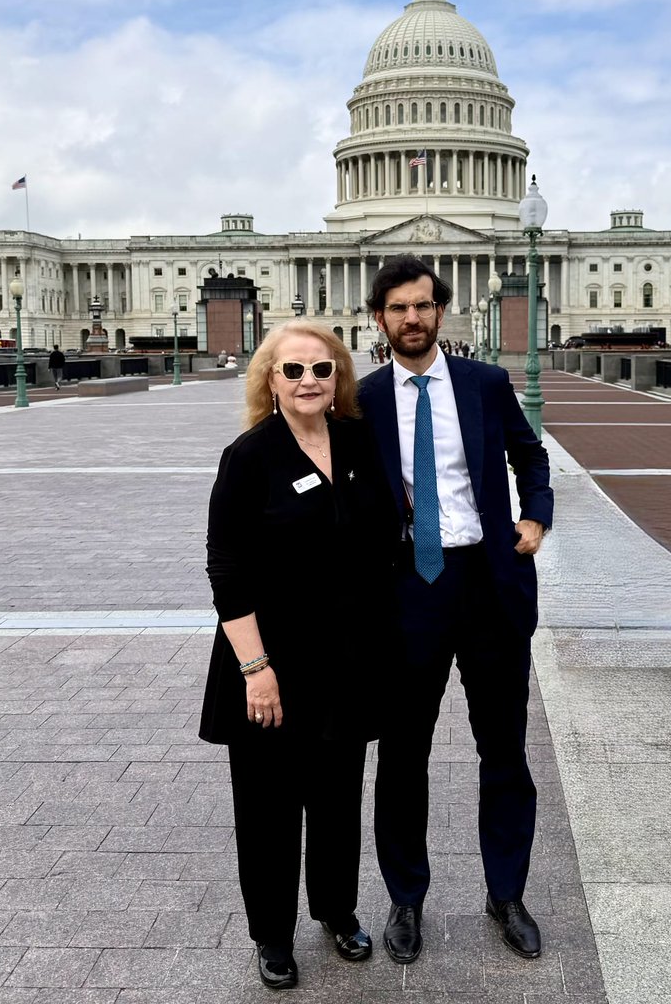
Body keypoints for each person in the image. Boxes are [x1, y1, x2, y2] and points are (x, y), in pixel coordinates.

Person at [357, 255, 554, 964]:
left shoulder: (486, 384)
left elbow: (531, 460)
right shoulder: (364, 399)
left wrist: (534, 520)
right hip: (409, 588)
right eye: (397, 308)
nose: (411, 318)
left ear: (440, 311)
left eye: (422, 305)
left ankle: (506, 892)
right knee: (402, 753)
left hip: (487, 582)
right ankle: (406, 898)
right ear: (379, 318)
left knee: (502, 750)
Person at [199, 320, 393, 991]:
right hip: (271, 659)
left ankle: (336, 910)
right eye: (293, 370)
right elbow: (225, 567)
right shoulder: (249, 456)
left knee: (338, 796)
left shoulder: (360, 442)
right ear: (269, 381)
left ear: (338, 377)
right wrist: (255, 669)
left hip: (346, 657)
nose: (308, 381)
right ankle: (272, 934)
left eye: (321, 369)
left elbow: (385, 537)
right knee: (268, 806)